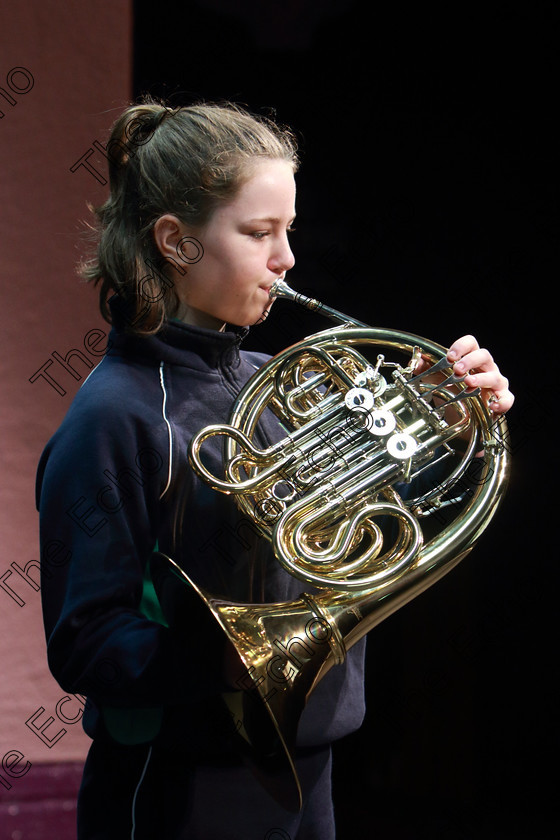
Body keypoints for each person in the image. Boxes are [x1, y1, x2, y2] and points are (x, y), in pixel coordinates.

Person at [36, 98, 514, 840]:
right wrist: (224, 662)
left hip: (308, 771)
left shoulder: (280, 380)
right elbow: (85, 641)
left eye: (286, 230)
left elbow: (357, 534)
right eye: (259, 233)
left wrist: (445, 429)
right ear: (177, 241)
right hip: (176, 788)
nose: (286, 258)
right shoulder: (112, 419)